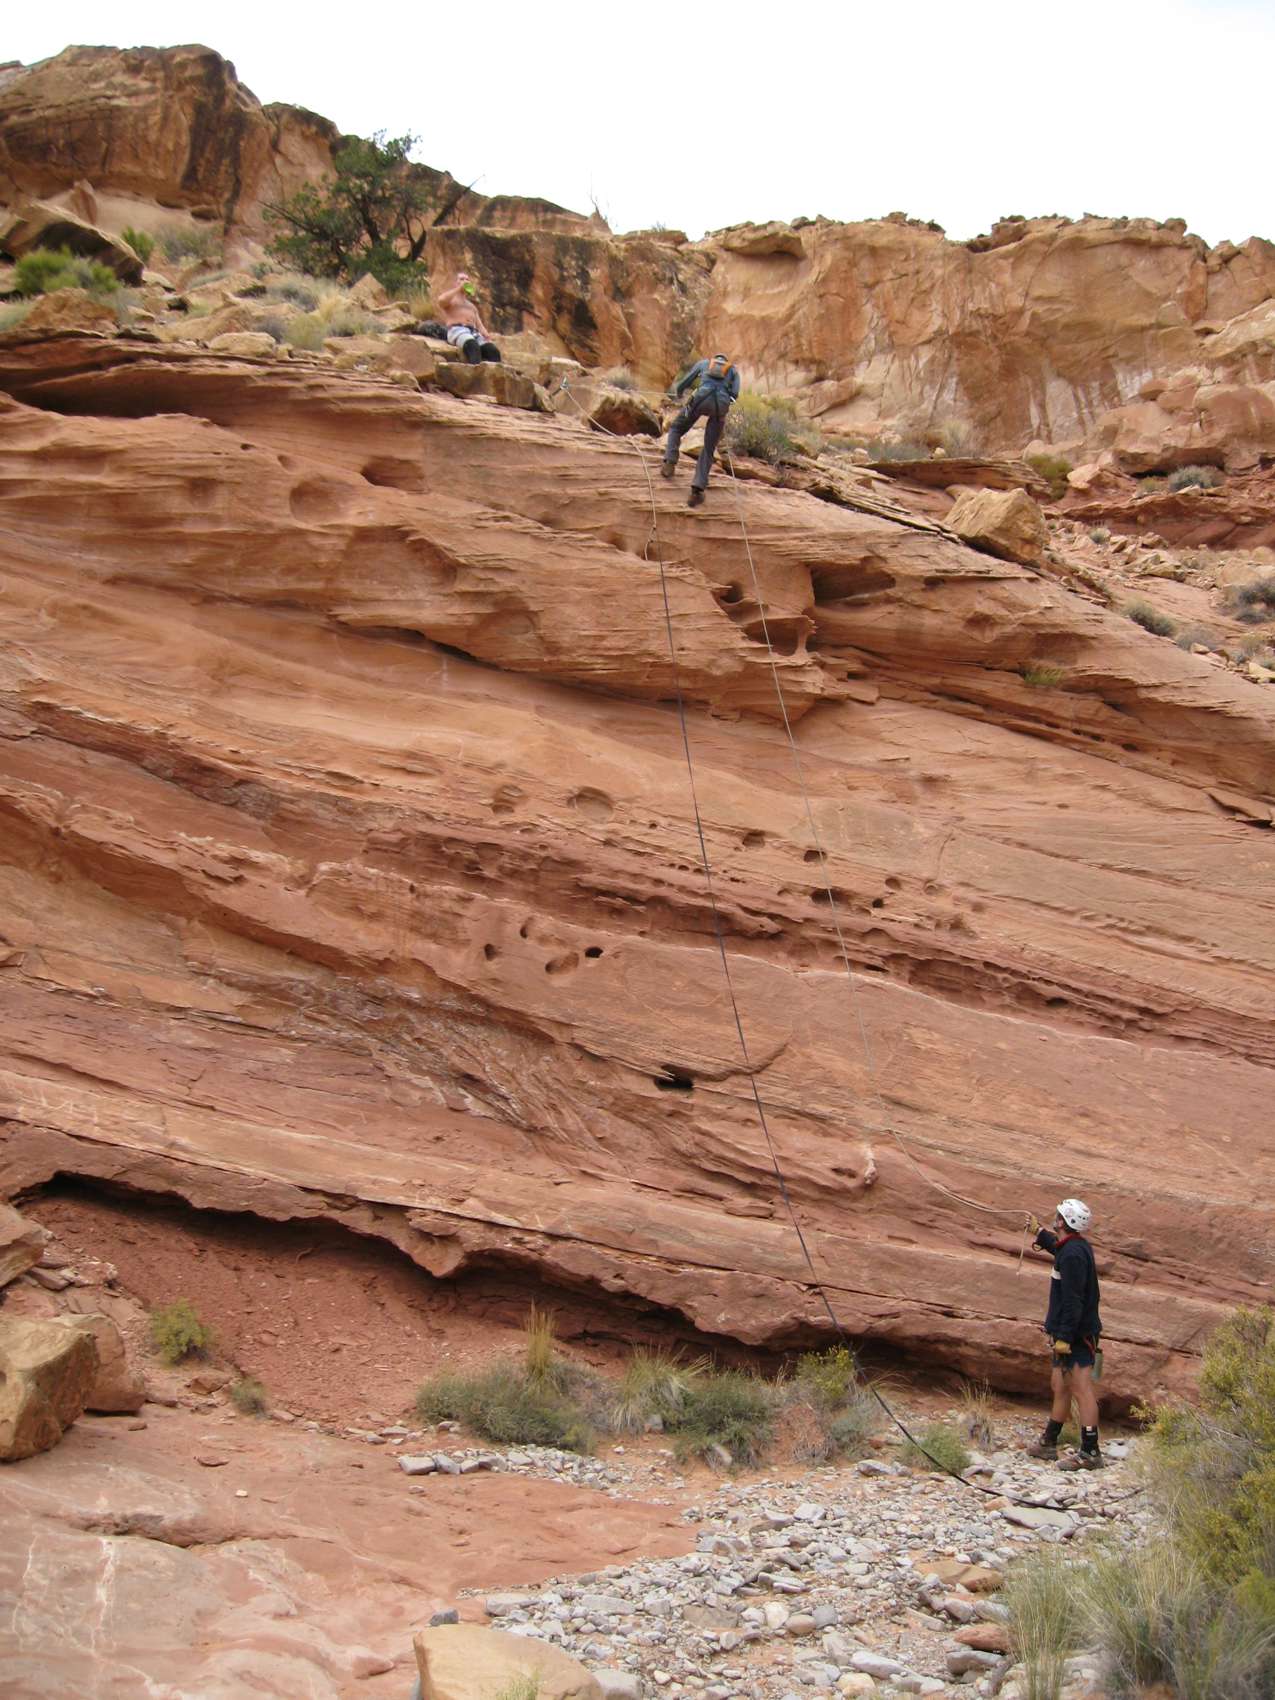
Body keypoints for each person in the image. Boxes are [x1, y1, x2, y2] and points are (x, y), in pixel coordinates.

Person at [1025, 1197, 1105, 1469]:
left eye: (1058, 1215)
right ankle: (1049, 1443)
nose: (1055, 1216)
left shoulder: (1072, 1255)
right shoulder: (1074, 1246)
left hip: (1077, 1336)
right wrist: (1039, 1233)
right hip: (1069, 1333)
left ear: (1064, 1221)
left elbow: (1073, 1301)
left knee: (1081, 1389)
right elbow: (1059, 1249)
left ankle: (1091, 1452)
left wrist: (1064, 1338)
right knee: (1060, 1385)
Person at [662, 353, 741, 507]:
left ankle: (669, 462)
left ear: (714, 359)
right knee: (709, 447)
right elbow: (735, 394)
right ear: (725, 361)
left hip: (700, 399)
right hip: (720, 407)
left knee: (676, 427)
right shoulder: (733, 370)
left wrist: (679, 394)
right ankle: (697, 490)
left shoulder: (704, 363)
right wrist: (724, 404)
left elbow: (685, 382)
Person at [434, 271, 501, 365]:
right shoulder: (451, 300)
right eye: (461, 279)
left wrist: (487, 336)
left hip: (473, 332)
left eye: (467, 279)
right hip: (457, 330)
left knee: (492, 350)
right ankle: (475, 370)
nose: (465, 281)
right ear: (456, 283)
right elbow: (441, 300)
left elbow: (479, 325)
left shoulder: (472, 306)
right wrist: (458, 289)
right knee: (472, 345)